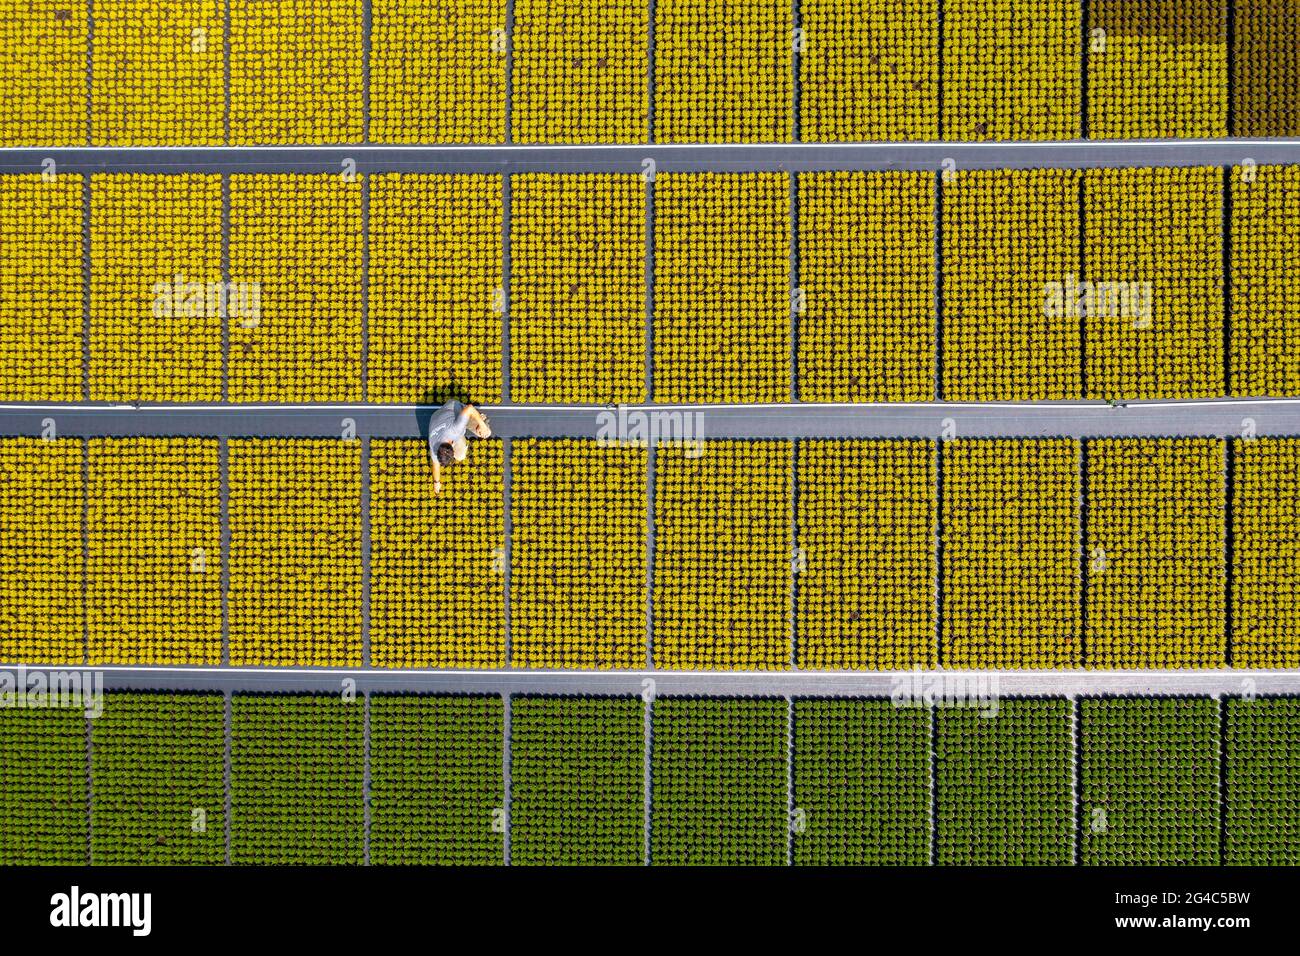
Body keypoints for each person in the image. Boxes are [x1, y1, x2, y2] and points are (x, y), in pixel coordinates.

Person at [427, 399, 491, 494]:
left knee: (486, 433)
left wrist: (482, 426)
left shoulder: (455, 429)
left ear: (452, 445)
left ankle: (477, 418)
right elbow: (436, 465)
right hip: (439, 417)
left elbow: (470, 408)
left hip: (454, 410)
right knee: (460, 456)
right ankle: (471, 420)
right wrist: (436, 482)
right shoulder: (434, 446)